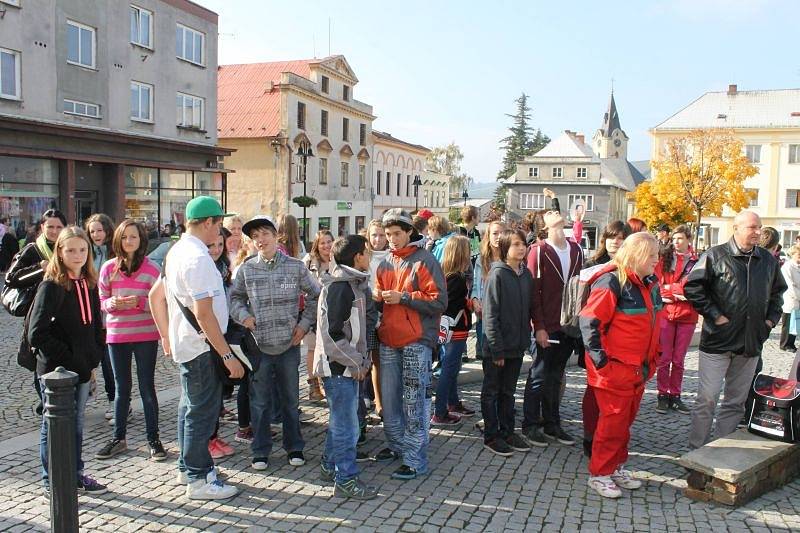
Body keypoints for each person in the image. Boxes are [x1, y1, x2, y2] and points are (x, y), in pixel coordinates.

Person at [684, 210, 786, 449]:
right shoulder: (715, 255)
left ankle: (720, 449)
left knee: (735, 402)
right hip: (717, 343)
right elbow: (693, 287)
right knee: (706, 399)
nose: (758, 232)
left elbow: (777, 294)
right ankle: (696, 449)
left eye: (759, 227)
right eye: (752, 227)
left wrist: (769, 322)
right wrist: (714, 315)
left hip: (750, 344)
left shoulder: (768, 260)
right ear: (736, 228)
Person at [164, 196, 242, 500]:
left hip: (191, 343)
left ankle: (188, 466)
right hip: (202, 346)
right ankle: (198, 479)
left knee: (189, 407)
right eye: (219, 223)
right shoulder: (197, 259)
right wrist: (226, 354)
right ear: (208, 223)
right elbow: (204, 313)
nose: (221, 230)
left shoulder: (179, 250)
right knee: (201, 411)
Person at [229, 215, 320, 471]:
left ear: (275, 235)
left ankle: (294, 447)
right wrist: (244, 316)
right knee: (258, 402)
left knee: (291, 400)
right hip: (259, 347)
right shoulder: (247, 269)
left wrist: (304, 325)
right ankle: (260, 449)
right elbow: (234, 299)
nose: (260, 240)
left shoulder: (295, 267)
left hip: (289, 345)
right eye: (255, 236)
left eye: (264, 234)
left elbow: (316, 295)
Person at [579, 232, 662, 498]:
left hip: (637, 369)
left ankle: (614, 466)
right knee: (611, 423)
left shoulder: (648, 283)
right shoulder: (612, 281)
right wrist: (603, 364)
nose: (656, 260)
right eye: (652, 255)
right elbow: (590, 323)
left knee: (623, 423)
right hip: (615, 370)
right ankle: (600, 473)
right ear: (637, 255)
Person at [28, 226, 107, 496]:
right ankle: (52, 480)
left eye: (82, 250)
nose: (78, 255)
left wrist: (95, 353)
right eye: (71, 250)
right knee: (54, 426)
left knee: (76, 427)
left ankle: (74, 474)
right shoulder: (51, 286)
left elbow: (95, 323)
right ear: (59, 252)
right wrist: (71, 359)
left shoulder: (89, 283)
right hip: (56, 373)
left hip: (83, 369)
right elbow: (37, 333)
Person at [372, 208, 447, 480]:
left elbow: (439, 301)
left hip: (417, 340)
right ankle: (395, 445)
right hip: (388, 339)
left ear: (408, 233)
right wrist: (377, 298)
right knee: (390, 401)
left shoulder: (424, 260)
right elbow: (378, 301)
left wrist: (403, 297)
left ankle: (415, 459)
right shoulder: (384, 263)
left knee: (414, 402)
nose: (391, 239)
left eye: (396, 234)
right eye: (388, 234)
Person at [313, 235, 378, 499]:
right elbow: (333, 336)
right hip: (338, 369)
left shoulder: (353, 283)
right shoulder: (341, 287)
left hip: (349, 367)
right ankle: (346, 479)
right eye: (367, 252)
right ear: (357, 257)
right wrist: (356, 361)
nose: (370, 256)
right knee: (347, 427)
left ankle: (330, 465)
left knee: (342, 422)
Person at [94, 220, 165, 462]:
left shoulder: (152, 269)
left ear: (141, 240)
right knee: (121, 388)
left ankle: (153, 439)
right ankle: (118, 438)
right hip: (117, 336)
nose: (128, 241)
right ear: (118, 241)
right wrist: (112, 304)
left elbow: (161, 303)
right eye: (124, 237)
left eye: (133, 237)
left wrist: (140, 303)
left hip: (145, 335)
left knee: (147, 386)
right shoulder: (108, 268)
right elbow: (102, 300)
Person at [522, 208, 583, 447]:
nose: (555, 211)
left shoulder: (576, 249)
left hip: (568, 324)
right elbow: (533, 294)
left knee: (556, 376)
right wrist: (538, 327)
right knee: (539, 374)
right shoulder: (538, 251)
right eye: (549, 212)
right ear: (543, 224)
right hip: (546, 324)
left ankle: (552, 423)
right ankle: (530, 424)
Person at [6, 209, 66, 414]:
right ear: (42, 227)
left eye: (59, 227)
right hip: (38, 313)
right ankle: (46, 404)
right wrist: (40, 269)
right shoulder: (33, 250)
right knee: (40, 356)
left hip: (63, 313)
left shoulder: (67, 248)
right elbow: (10, 279)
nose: (54, 231)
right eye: (50, 226)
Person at [580, 220, 631, 456]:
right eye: (611, 237)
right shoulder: (593, 265)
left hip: (621, 343)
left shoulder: (632, 268)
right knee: (593, 390)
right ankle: (590, 437)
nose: (615, 241)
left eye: (620, 238)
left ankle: (611, 436)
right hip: (596, 339)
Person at [480, 228, 533, 456]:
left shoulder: (526, 274)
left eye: (522, 244)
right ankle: (491, 435)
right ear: (504, 248)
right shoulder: (497, 274)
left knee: (508, 392)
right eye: (515, 245)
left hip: (516, 345)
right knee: (492, 392)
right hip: (497, 348)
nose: (520, 248)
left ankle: (508, 430)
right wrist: (497, 349)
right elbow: (490, 315)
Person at [654, 225, 698, 414]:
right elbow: (656, 285)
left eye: (680, 238)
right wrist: (675, 291)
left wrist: (674, 290)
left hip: (688, 316)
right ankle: (662, 394)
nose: (676, 242)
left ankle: (676, 395)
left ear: (689, 239)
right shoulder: (664, 259)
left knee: (679, 360)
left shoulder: (697, 261)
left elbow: (695, 289)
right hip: (666, 314)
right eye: (674, 239)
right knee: (664, 359)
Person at [432, 236, 475, 426]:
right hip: (455, 329)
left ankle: (453, 403)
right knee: (449, 370)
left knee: (452, 368)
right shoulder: (456, 278)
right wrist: (469, 303)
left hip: (450, 329)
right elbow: (450, 304)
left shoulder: (445, 274)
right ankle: (440, 412)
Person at [206, 226, 237, 459]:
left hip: (224, 333)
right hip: (208, 337)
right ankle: (207, 439)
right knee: (207, 392)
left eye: (220, 245)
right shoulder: (203, 268)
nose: (216, 249)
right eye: (211, 245)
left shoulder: (224, 267)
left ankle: (213, 435)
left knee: (218, 390)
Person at [85, 213, 117, 419]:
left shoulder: (114, 253)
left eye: (100, 230)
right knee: (88, 357)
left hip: (109, 315)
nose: (97, 234)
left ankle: (116, 401)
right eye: (92, 231)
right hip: (89, 314)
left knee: (109, 362)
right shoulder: (86, 252)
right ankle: (88, 389)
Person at [300, 230, 333, 402]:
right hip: (313, 311)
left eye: (329, 242)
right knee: (313, 348)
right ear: (317, 245)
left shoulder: (338, 260)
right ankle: (313, 385)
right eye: (322, 243)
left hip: (332, 312)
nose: (326, 246)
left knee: (328, 349)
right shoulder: (309, 262)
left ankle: (325, 382)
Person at [472, 221, 506, 361]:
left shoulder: (509, 258)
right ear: (488, 236)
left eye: (501, 233)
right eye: (495, 233)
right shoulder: (482, 259)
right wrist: (475, 300)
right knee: (488, 356)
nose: (498, 237)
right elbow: (475, 284)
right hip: (485, 313)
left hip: (505, 313)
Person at [779, 245, 800, 352]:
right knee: (787, 324)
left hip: (798, 300)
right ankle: (784, 344)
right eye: (798, 255)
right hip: (790, 299)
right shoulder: (787, 267)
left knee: (795, 323)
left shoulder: (798, 266)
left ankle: (791, 343)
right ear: (793, 255)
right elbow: (789, 285)